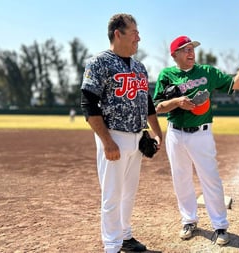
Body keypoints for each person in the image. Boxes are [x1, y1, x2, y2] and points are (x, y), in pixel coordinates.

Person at [153, 35, 239, 246]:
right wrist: (177, 102)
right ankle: (189, 221)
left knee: (210, 179)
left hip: (201, 134)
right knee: (180, 179)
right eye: (185, 50)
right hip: (176, 134)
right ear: (174, 55)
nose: (191, 52)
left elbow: (235, 84)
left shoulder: (207, 72)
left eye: (192, 49)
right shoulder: (166, 74)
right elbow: (157, 107)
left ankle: (220, 226)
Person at [80, 13, 163, 253]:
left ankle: (125, 236)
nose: (139, 37)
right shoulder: (99, 62)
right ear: (118, 33)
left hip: (138, 137)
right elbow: (88, 104)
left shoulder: (139, 67)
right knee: (112, 195)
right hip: (113, 135)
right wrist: (107, 141)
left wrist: (157, 133)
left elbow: (146, 103)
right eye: (134, 32)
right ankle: (112, 246)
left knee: (129, 193)